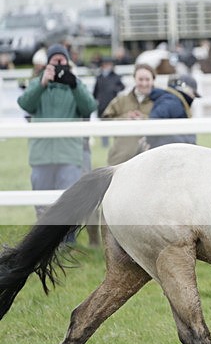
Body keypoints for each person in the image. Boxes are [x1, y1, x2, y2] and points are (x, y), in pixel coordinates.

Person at [16, 44, 97, 241]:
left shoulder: (76, 85)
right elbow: (25, 104)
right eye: (55, 61)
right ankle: (42, 243)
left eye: (62, 61)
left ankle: (67, 243)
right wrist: (43, 83)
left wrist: (74, 85)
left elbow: (89, 107)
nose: (59, 64)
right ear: (47, 63)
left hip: (69, 154)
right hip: (41, 155)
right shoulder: (38, 83)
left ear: (68, 62)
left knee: (68, 202)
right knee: (42, 203)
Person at [102, 63, 157, 165]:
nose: (144, 83)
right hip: (121, 159)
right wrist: (125, 118)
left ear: (153, 80)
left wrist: (144, 118)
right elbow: (105, 120)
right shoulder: (121, 99)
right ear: (134, 79)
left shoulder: (161, 101)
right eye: (140, 79)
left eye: (147, 80)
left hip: (151, 160)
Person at [142, 73, 200, 149]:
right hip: (168, 151)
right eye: (193, 94)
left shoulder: (173, 100)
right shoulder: (172, 102)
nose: (193, 97)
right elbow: (154, 121)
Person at [92, 57, 125, 147]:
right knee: (103, 126)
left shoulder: (116, 77)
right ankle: (105, 144)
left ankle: (116, 143)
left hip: (113, 105)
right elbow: (95, 92)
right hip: (102, 105)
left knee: (115, 125)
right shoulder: (99, 78)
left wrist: (114, 90)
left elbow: (122, 88)